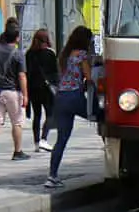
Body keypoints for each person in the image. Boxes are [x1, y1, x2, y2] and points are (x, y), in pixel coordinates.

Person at [44, 25, 93, 189]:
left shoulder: (64, 55)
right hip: (74, 96)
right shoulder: (82, 55)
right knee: (101, 115)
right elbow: (89, 77)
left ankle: (52, 176)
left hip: (60, 97)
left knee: (61, 140)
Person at [0, 21, 30, 162]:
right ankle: (17, 151)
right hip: (12, 92)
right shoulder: (18, 54)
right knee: (17, 122)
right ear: (17, 37)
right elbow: (22, 76)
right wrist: (26, 95)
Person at [25, 28, 58, 152]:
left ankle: (36, 143)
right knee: (50, 113)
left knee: (37, 115)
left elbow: (27, 72)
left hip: (33, 88)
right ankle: (44, 139)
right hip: (46, 88)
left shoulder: (29, 54)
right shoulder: (50, 53)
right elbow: (55, 73)